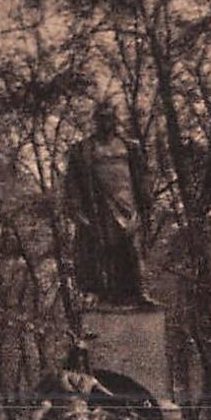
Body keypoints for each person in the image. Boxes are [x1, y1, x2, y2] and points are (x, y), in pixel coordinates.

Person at [64, 101, 152, 306]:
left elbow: (142, 177)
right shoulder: (83, 150)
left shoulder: (130, 147)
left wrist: (146, 201)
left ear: (115, 120)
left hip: (128, 205)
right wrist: (76, 209)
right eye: (101, 118)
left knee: (132, 248)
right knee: (102, 251)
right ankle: (103, 295)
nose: (105, 123)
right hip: (100, 208)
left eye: (109, 118)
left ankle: (138, 292)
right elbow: (73, 182)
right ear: (95, 121)